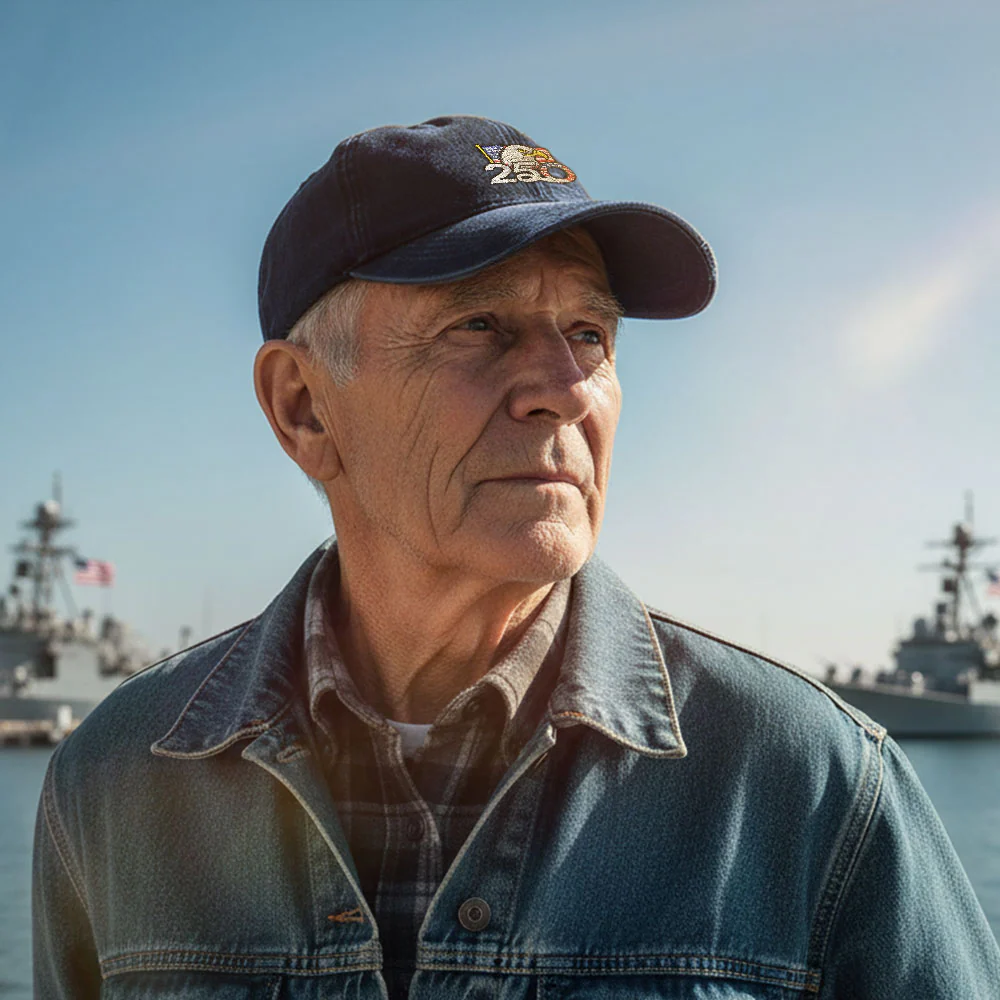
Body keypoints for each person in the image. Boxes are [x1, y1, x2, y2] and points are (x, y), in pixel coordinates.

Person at [34, 115, 1000, 999]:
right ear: (304, 406)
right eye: (480, 326)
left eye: (590, 333)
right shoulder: (112, 783)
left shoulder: (815, 787)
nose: (565, 388)